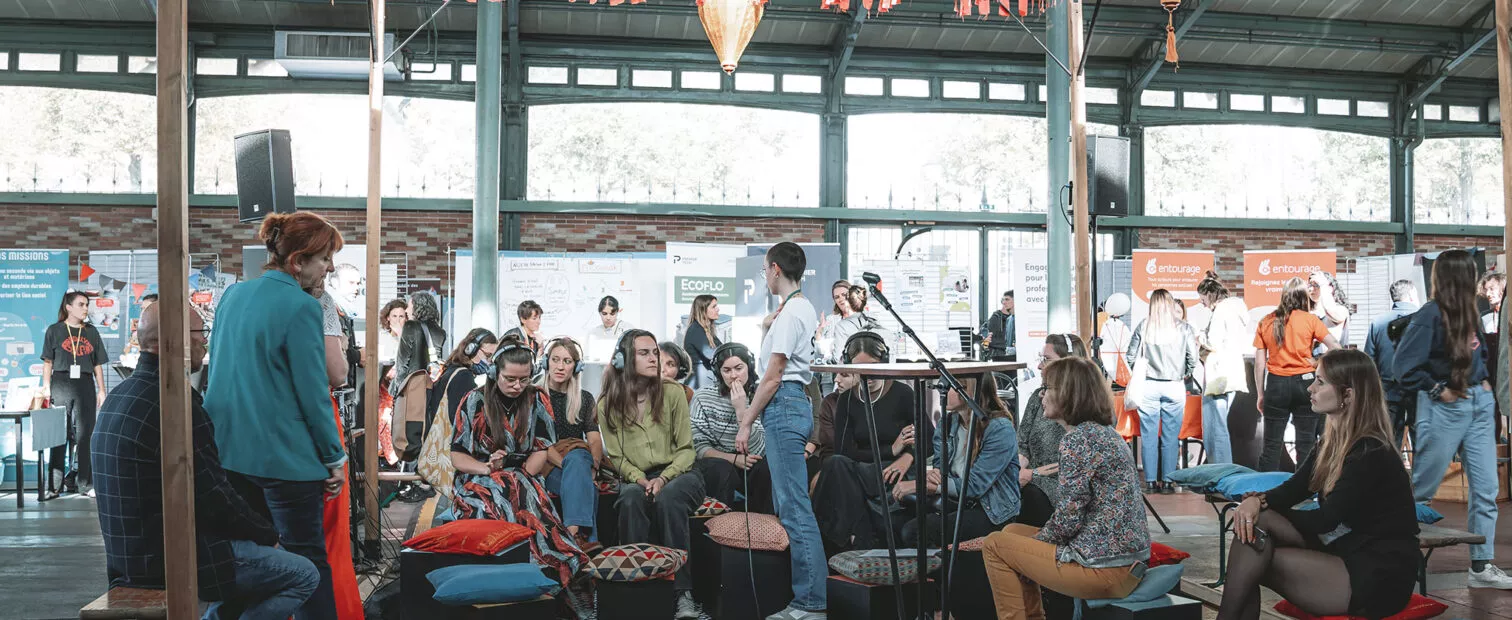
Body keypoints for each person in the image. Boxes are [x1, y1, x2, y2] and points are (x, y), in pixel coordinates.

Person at [94, 302, 319, 620]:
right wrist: (269, 536)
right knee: (304, 574)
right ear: (177, 339)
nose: (205, 341)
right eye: (201, 333)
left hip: (128, 558)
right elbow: (214, 497)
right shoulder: (175, 404)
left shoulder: (122, 394)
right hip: (174, 559)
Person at [204, 211, 348, 620]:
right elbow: (313, 393)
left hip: (230, 454)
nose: (331, 267)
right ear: (297, 261)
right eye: (324, 258)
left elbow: (221, 374)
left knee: (249, 560)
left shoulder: (232, 296)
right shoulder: (303, 307)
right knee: (309, 560)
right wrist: (334, 456)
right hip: (287, 462)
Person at [1219, 349, 1417, 619]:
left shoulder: (1370, 451)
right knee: (1253, 541)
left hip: (1378, 571)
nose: (1310, 388)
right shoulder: (1330, 443)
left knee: (1254, 546)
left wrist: (1261, 510)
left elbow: (1326, 520)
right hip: (1346, 550)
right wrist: (1256, 501)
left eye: (1321, 382)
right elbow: (1293, 489)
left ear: (1348, 394)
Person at [982, 357, 1149, 620]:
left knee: (994, 544)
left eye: (1047, 388)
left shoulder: (1077, 440)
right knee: (1012, 532)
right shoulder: (1104, 433)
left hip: (1103, 568)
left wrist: (1033, 545)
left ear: (1069, 394)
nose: (1041, 396)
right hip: (1127, 561)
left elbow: (1068, 521)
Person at [1396, 249, 1512, 589]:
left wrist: (1486, 387)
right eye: (1472, 272)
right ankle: (1400, 559)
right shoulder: (1430, 314)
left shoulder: (1471, 312)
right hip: (1445, 405)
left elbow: (1482, 353)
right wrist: (1437, 390)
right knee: (1422, 489)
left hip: (1477, 402)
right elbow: (1404, 367)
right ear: (1460, 276)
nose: (1478, 279)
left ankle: (1481, 566)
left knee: (1487, 489)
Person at [449, 338, 590, 613]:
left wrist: (520, 473)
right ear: (493, 373)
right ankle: (508, 584)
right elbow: (457, 456)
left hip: (523, 473)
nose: (517, 386)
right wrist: (488, 468)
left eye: (524, 379)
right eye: (510, 379)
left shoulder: (537, 398)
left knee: (532, 505)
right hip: (478, 477)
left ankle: (558, 576)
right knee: (496, 498)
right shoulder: (474, 400)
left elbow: (541, 450)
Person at [732, 241, 829, 620]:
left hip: (784, 404)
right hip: (789, 404)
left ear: (774, 269)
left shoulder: (792, 313)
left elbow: (771, 378)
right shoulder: (792, 311)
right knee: (790, 504)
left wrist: (745, 420)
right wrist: (763, 328)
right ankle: (807, 598)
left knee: (794, 508)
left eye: (764, 271)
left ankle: (811, 602)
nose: (764, 277)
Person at [600, 329, 706, 619]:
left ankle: (682, 592)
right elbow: (617, 457)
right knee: (631, 500)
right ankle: (639, 586)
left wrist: (663, 478)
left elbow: (686, 450)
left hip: (681, 473)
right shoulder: (607, 403)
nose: (653, 358)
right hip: (639, 476)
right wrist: (640, 479)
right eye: (643, 353)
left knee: (669, 499)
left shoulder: (673, 393)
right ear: (623, 360)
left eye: (654, 352)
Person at [812, 331, 921, 553]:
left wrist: (907, 456)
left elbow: (928, 438)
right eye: (858, 367)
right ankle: (859, 536)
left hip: (893, 471)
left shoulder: (902, 393)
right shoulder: (846, 400)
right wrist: (890, 450)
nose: (867, 374)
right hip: (861, 469)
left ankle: (832, 540)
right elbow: (845, 451)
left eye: (872, 365)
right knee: (836, 464)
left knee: (836, 472)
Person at [895, 371, 1019, 547]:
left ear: (969, 390)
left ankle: (944, 573)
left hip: (990, 510)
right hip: (957, 501)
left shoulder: (999, 429)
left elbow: (975, 485)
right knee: (895, 521)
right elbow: (939, 470)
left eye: (949, 386)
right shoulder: (946, 423)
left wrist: (922, 485)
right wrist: (933, 478)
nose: (941, 390)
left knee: (914, 531)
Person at [308, 278, 363, 619]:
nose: (328, 267)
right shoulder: (319, 301)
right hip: (316, 417)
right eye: (325, 258)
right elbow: (337, 371)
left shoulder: (242, 300)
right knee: (328, 536)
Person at [1254, 279, 1341, 472]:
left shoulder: (1266, 321)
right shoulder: (1310, 320)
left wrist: (1261, 394)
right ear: (1304, 296)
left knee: (1271, 445)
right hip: (1306, 384)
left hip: (1276, 385)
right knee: (1306, 443)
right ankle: (1304, 493)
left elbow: (1260, 363)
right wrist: (1318, 362)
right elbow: (1336, 346)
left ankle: (1264, 493)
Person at [1126, 289, 1199, 492]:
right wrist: (1185, 373)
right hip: (1174, 385)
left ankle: (1150, 482)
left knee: (1148, 436)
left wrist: (1138, 372)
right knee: (1170, 437)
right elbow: (1192, 358)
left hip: (1148, 385)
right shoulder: (1184, 328)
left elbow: (1130, 354)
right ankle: (1168, 481)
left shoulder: (1145, 326)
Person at [414, 328, 499, 502]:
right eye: (488, 355)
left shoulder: (452, 370)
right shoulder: (464, 378)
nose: (489, 362)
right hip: (451, 455)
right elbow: (460, 421)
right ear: (471, 349)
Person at [536, 337, 604, 547]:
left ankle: (572, 536)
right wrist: (576, 469)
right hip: (547, 462)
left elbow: (594, 438)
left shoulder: (584, 398)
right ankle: (584, 540)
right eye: (555, 359)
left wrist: (593, 466)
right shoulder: (534, 396)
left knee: (578, 455)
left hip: (578, 460)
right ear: (546, 362)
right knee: (584, 481)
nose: (560, 366)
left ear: (576, 367)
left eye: (567, 361)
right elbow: (541, 445)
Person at [41, 290, 109, 498]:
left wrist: (102, 390)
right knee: (58, 435)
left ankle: (85, 484)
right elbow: (48, 362)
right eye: (81, 304)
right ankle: (54, 486)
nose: (86, 309)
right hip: (60, 383)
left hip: (85, 385)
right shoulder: (54, 330)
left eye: (87, 305)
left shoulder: (91, 332)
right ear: (68, 307)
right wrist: (46, 386)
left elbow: (97, 364)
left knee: (85, 435)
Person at [691, 343, 772, 513]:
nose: (734, 375)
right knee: (722, 469)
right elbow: (698, 447)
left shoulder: (759, 396)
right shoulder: (702, 397)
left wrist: (741, 411)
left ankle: (761, 527)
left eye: (739, 368)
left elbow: (760, 449)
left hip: (750, 461)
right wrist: (732, 459)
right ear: (718, 373)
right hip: (717, 463)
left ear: (749, 367)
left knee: (766, 469)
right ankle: (719, 527)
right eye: (726, 370)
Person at [1016, 334, 1086, 527]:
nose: (1039, 366)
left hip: (1064, 486)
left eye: (1047, 360)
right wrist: (1019, 470)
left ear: (1069, 364)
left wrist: (1032, 474)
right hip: (1031, 479)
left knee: (1030, 498)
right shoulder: (1037, 397)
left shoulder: (1086, 408)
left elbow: (1079, 469)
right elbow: (1022, 444)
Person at [1197, 272, 1251, 465]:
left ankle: (1219, 471)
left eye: (1202, 299)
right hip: (1233, 372)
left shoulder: (1221, 310)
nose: (1202, 304)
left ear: (1210, 295)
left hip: (1218, 375)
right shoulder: (1238, 309)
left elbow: (1214, 342)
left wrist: (1200, 337)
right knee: (1221, 424)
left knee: (1216, 427)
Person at [1363, 279, 1419, 449]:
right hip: (1419, 389)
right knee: (1421, 439)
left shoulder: (1377, 323)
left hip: (1388, 390)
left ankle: (1391, 474)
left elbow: (1369, 361)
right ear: (1411, 295)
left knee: (1389, 438)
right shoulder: (1426, 321)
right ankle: (1420, 475)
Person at [390, 292, 446, 462]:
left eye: (409, 305)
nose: (407, 310)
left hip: (412, 386)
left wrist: (395, 389)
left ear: (417, 306)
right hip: (431, 386)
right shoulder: (440, 331)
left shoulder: (411, 327)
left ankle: (410, 469)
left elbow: (403, 362)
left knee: (409, 428)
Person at [376, 299, 408, 466]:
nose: (397, 319)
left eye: (401, 316)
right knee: (385, 419)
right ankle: (388, 458)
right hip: (386, 386)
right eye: (394, 315)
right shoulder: (382, 337)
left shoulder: (409, 338)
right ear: (387, 317)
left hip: (404, 387)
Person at [683, 294, 724, 390]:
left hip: (703, 383)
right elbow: (713, 354)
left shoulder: (707, 331)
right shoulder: (696, 330)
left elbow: (722, 350)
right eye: (714, 307)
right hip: (698, 386)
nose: (718, 309)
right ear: (703, 310)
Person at [1310, 271, 1352, 348]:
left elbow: (1330, 310)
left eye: (1316, 285)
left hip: (1334, 358)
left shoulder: (1341, 310)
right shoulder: (1310, 312)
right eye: (1310, 285)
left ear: (1330, 288)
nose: (1311, 289)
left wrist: (1323, 284)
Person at [981, 291, 1016, 361]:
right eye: (1003, 300)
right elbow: (986, 341)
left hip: (1010, 357)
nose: (1004, 302)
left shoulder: (1012, 319)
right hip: (1000, 357)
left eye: (1007, 299)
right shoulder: (997, 318)